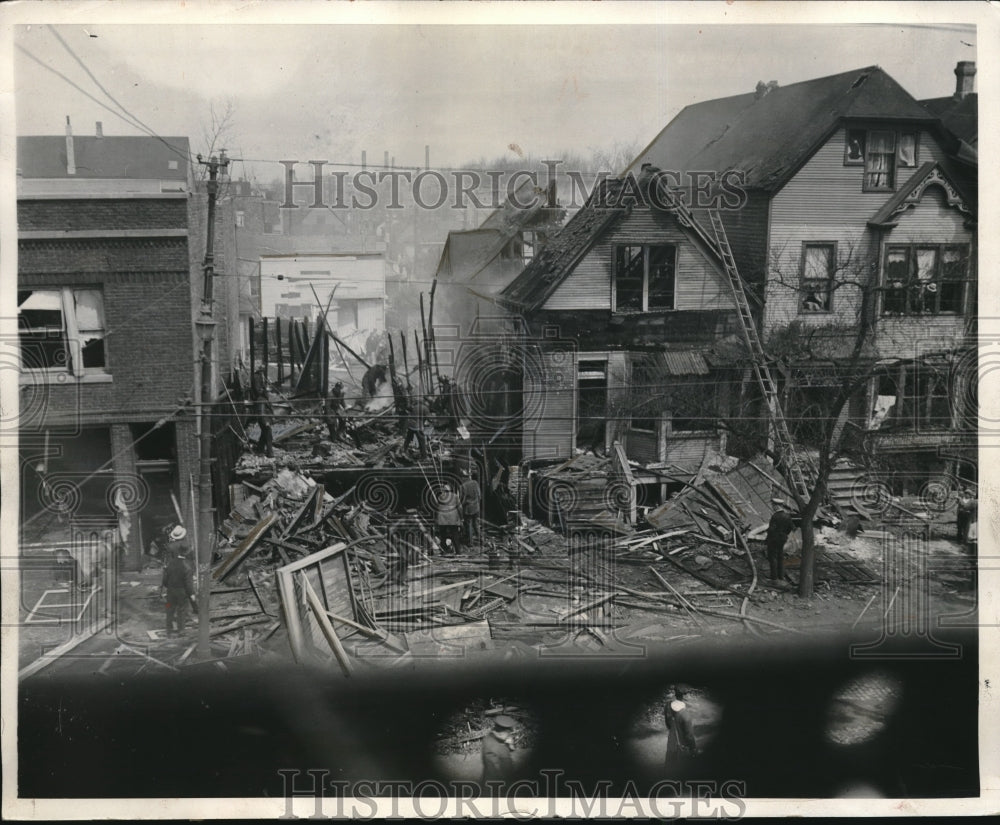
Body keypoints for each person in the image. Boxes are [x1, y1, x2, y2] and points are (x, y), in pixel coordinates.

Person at [160, 539, 195, 638]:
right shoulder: (187, 566)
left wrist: (168, 587)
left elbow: (165, 579)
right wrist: (191, 594)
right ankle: (181, 631)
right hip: (182, 592)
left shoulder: (170, 563)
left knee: (169, 609)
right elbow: (188, 583)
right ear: (188, 551)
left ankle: (169, 630)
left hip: (170, 591)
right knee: (182, 610)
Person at [664, 685, 698, 766]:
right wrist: (693, 749)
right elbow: (689, 736)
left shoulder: (667, 706)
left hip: (671, 743)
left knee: (669, 767)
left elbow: (668, 725)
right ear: (685, 695)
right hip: (683, 746)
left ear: (675, 693)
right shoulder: (685, 714)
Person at [480, 714, 517, 787]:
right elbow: (494, 769)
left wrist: (511, 745)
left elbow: (510, 749)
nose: (509, 735)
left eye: (509, 732)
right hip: (495, 783)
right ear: (501, 732)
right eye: (508, 732)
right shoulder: (490, 743)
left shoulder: (502, 739)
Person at [765, 498, 795, 580]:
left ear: (777, 506)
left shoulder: (775, 516)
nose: (773, 507)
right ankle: (781, 576)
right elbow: (791, 527)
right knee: (780, 557)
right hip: (782, 539)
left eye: (773, 505)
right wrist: (785, 534)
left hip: (774, 539)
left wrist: (767, 538)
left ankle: (774, 577)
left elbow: (772, 529)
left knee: (773, 557)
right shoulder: (787, 516)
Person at [250, 368, 274, 458]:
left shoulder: (263, 399)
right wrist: (266, 422)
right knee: (268, 433)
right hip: (264, 419)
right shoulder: (261, 400)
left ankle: (260, 449)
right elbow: (261, 412)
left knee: (265, 433)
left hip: (264, 418)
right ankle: (270, 453)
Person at [435, 482, 462, 554]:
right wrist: (461, 517)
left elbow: (437, 508)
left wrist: (436, 519)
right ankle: (458, 552)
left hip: (442, 518)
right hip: (453, 518)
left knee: (443, 535)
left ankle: (443, 551)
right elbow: (460, 507)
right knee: (455, 535)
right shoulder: (455, 496)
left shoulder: (440, 496)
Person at [459, 468, 482, 548]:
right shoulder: (475, 483)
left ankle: (470, 542)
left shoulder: (463, 486)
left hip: (468, 508)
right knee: (476, 524)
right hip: (476, 507)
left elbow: (462, 499)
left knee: (468, 525)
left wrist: (461, 507)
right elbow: (479, 496)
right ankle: (481, 540)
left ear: (463, 477)